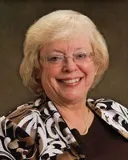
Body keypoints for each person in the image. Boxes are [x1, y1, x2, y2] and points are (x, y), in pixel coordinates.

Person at [0, 10, 128, 160]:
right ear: (37, 68)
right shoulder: (16, 127)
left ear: (96, 63)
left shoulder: (114, 111)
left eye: (80, 55)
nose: (70, 67)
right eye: (55, 58)